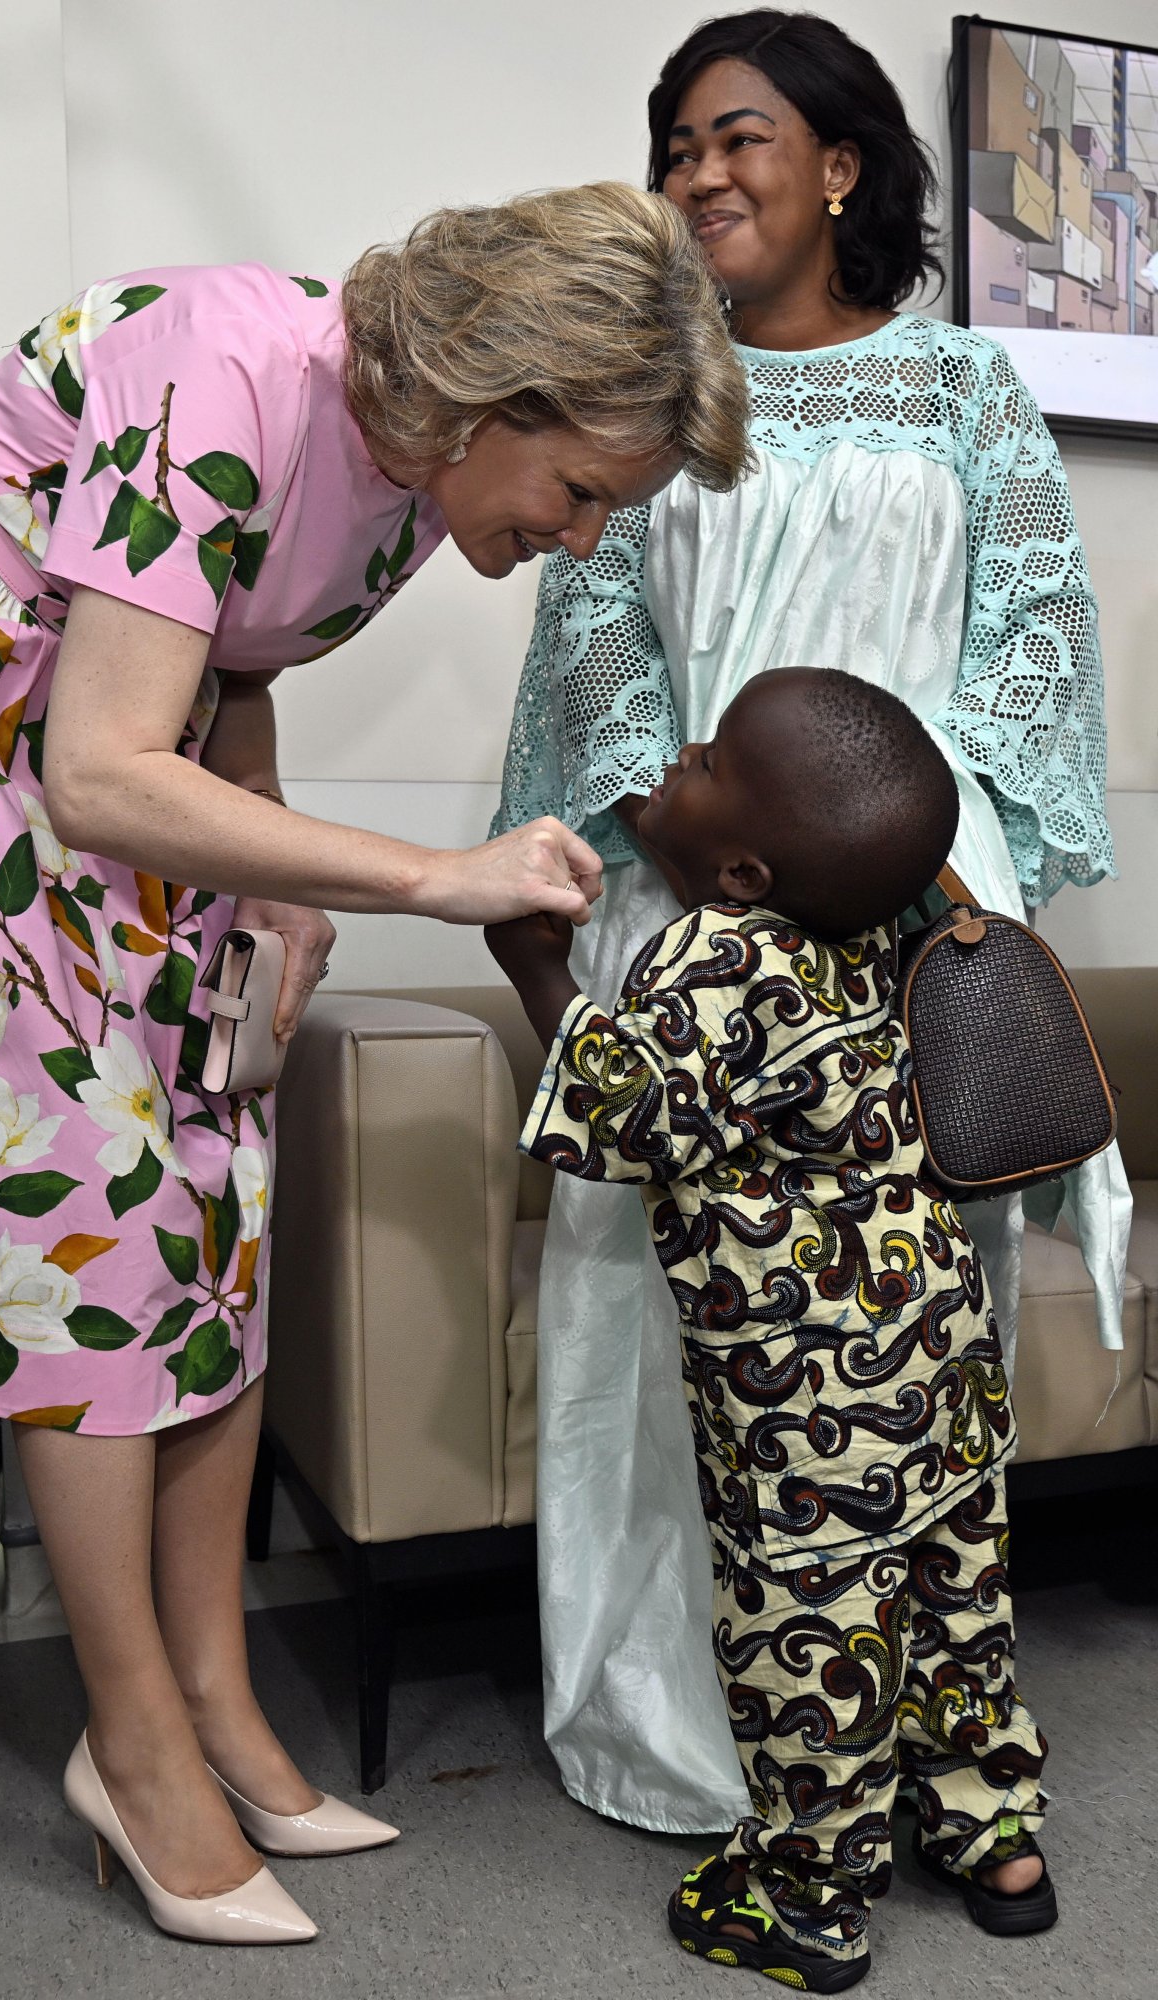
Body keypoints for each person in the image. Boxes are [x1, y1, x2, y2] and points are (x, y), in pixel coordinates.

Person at [0, 183, 751, 1944]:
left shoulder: (407, 485)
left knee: (224, 1208)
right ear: (501, 401)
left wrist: (280, 871)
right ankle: (133, 1744)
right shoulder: (229, 374)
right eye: (584, 494)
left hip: (123, 800)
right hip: (6, 791)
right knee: (91, 1242)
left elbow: (231, 659)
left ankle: (219, 1701)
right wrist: (417, 878)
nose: (582, 535)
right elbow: (93, 761)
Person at [491, 8, 1131, 1835]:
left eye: (739, 137)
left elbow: (1030, 656)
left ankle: (916, 1750)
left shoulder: (963, 393)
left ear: (839, 164)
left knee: (905, 1365)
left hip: (923, 935)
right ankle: (693, 1735)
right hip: (690, 921)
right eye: (675, 140)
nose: (697, 170)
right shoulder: (642, 397)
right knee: (672, 1329)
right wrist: (686, 850)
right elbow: (592, 656)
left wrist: (923, 870)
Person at [487, 668, 1056, 1992]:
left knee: (810, 1633)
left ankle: (809, 1895)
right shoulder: (882, 935)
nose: (676, 758)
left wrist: (542, 974)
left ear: (739, 870)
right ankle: (995, 1839)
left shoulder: (715, 956)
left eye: (702, 763)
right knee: (958, 1604)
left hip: (808, 1408)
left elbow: (631, 1125)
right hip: (944, 1373)